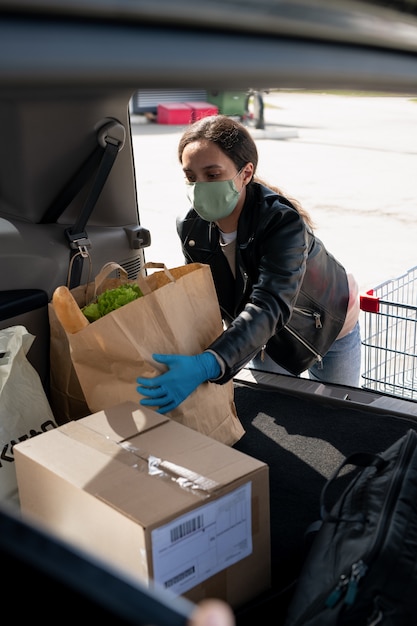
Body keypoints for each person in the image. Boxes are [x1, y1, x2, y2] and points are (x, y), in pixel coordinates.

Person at [137, 115, 361, 414]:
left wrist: (208, 363)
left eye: (212, 174)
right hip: (262, 332)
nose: (200, 187)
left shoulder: (281, 222)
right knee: (278, 415)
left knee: (339, 416)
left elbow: (270, 302)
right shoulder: (191, 227)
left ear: (245, 173)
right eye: (191, 176)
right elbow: (205, 299)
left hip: (329, 323)